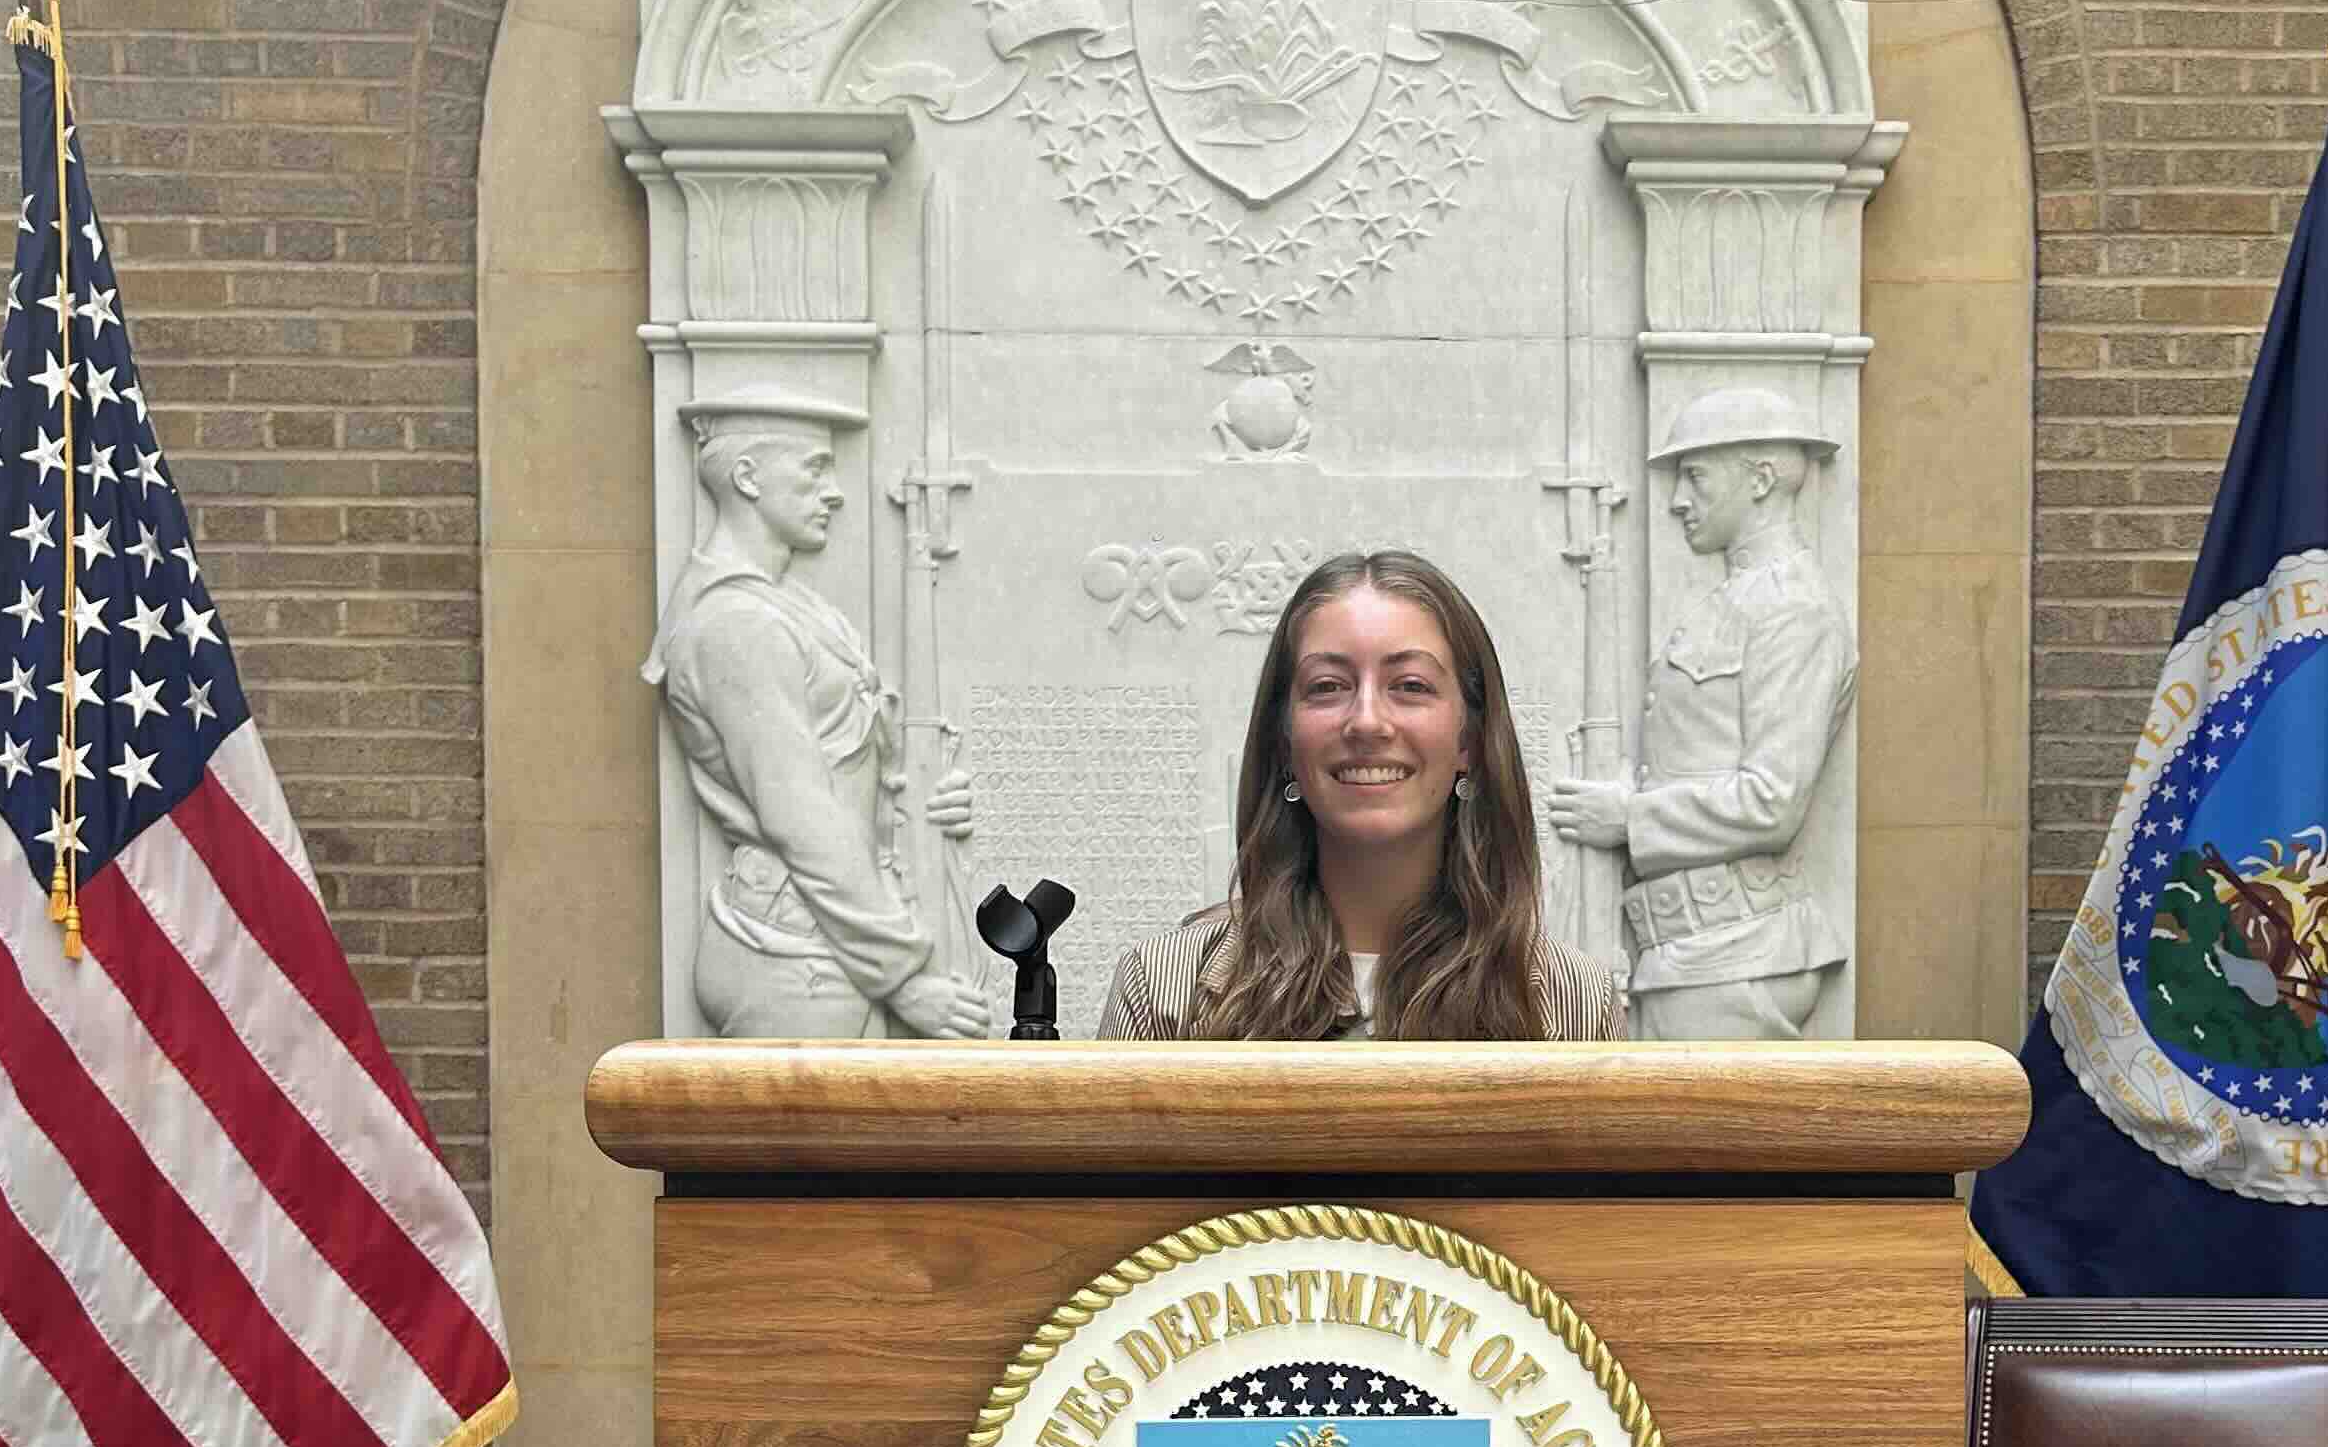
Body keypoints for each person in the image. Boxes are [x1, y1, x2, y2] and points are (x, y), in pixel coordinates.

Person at [1097, 549, 1624, 1041]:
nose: (1367, 721)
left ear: (1468, 741)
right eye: (1327, 686)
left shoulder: (1572, 1004)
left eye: (1410, 685)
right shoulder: (1164, 990)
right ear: (1284, 743)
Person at [645, 393, 990, 1043]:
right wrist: (904, 979)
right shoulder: (735, 624)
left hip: (827, 946)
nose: (834, 492)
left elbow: (849, 773)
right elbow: (800, 814)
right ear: (748, 477)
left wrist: (925, 803)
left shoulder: (795, 608)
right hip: (793, 958)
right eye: (813, 470)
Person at [1547, 381, 1856, 1041]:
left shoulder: (1794, 610)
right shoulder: (1733, 600)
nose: (1678, 500)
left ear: (1762, 479)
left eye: (1696, 476)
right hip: (1689, 952)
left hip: (1736, 955)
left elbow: (1773, 800)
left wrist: (1628, 818)